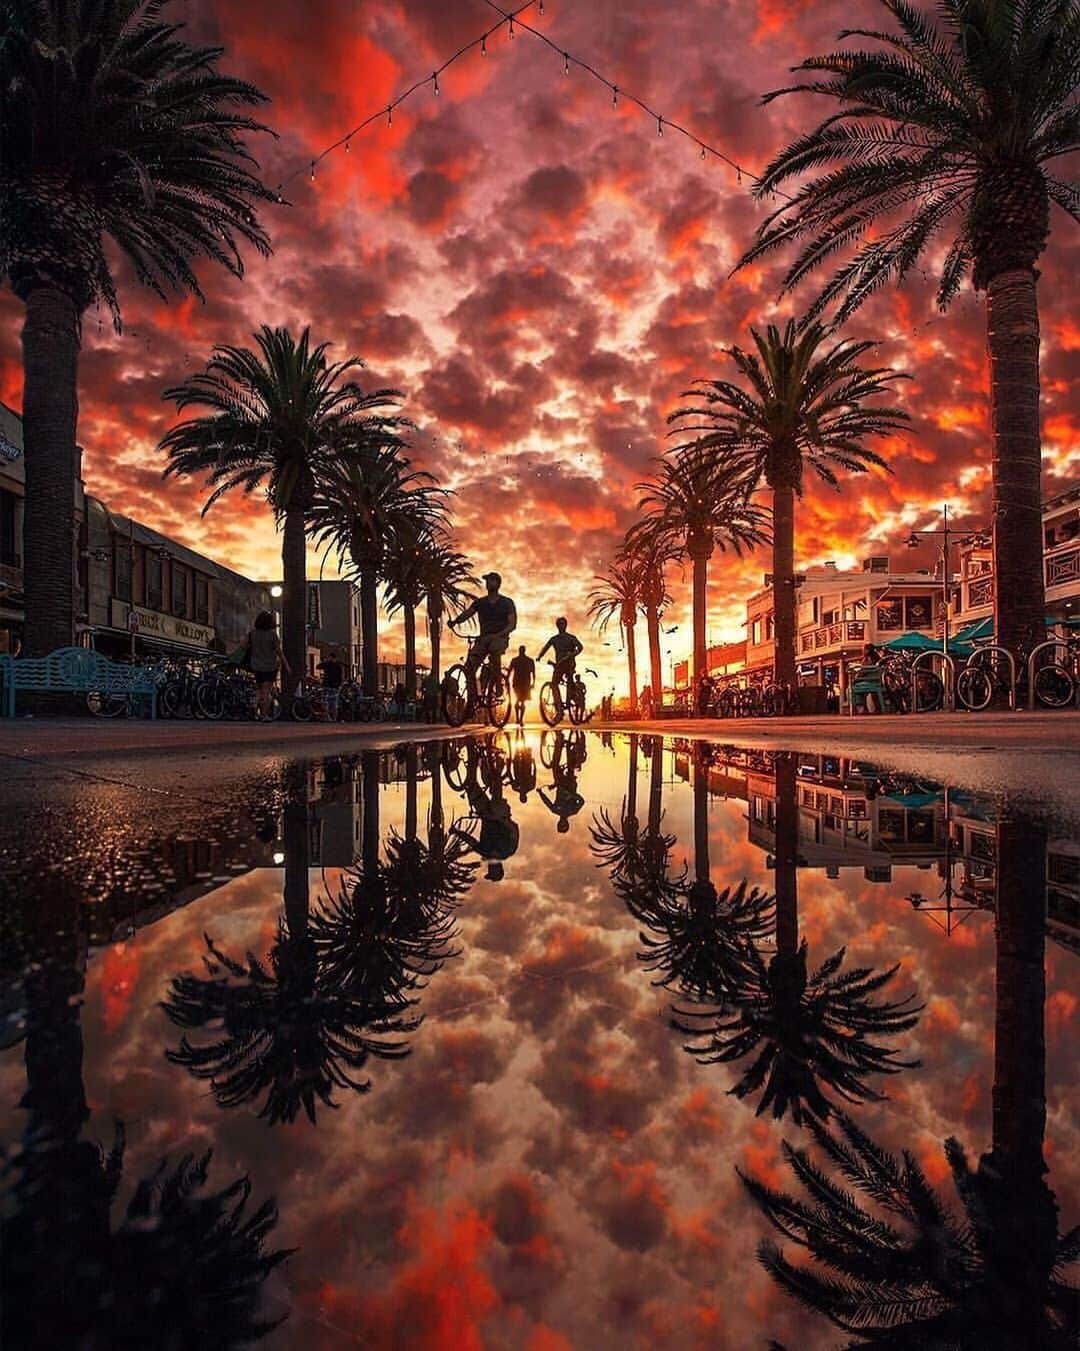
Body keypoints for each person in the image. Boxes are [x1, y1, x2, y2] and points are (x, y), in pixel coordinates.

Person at [449, 572, 517, 697]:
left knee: (494, 650)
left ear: (497, 583)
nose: (488, 583)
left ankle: (497, 683)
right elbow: (468, 613)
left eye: (491, 580)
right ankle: (472, 700)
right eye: (487, 581)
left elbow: (512, 624)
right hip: (483, 639)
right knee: (469, 667)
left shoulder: (507, 603)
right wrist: (455, 622)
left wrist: (500, 634)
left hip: (500, 638)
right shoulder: (480, 603)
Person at [247, 610, 290, 721]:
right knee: (266, 691)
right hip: (270, 666)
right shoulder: (272, 634)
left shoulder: (252, 634)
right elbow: (279, 652)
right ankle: (264, 715)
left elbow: (243, 646)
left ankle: (254, 704)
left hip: (256, 665)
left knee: (259, 689)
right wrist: (286, 665)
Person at [537, 617, 583, 713]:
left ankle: (572, 697)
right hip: (559, 664)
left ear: (565, 625)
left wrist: (573, 654)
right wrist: (539, 656)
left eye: (563, 624)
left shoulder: (571, 638)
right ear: (557, 626)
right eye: (559, 624)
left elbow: (580, 647)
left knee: (570, 682)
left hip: (569, 663)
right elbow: (546, 647)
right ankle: (559, 706)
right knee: (554, 684)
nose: (561, 626)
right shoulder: (554, 639)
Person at [507, 645, 536, 725]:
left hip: (520, 683)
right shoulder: (529, 660)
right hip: (522, 683)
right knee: (521, 700)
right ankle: (519, 719)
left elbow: (509, 671)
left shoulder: (516, 660)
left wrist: (533, 682)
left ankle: (519, 719)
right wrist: (533, 682)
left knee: (520, 700)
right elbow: (533, 673)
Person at [317, 649, 345, 721]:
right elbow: (341, 677)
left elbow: (318, 666)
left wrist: (325, 661)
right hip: (335, 687)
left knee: (326, 702)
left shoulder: (327, 664)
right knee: (333, 703)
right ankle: (333, 718)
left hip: (327, 686)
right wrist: (340, 685)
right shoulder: (339, 666)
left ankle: (328, 717)